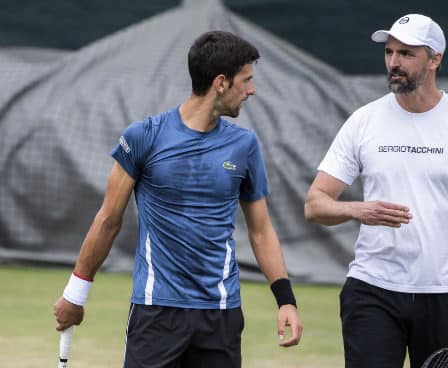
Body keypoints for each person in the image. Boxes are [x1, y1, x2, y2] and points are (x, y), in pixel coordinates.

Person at [53, 31, 302, 368]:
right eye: (246, 80)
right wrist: (75, 295)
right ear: (220, 83)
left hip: (221, 315)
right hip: (156, 313)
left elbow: (261, 231)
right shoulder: (143, 137)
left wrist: (286, 301)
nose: (252, 90)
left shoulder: (245, 146)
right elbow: (108, 219)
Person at [304, 13, 448, 368]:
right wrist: (358, 210)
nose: (394, 62)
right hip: (372, 290)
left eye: (406, 53)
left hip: (446, 294)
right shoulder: (364, 121)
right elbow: (315, 204)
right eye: (389, 52)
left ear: (435, 60)